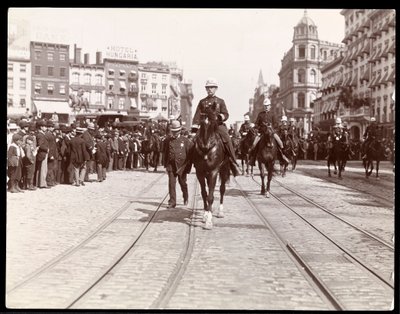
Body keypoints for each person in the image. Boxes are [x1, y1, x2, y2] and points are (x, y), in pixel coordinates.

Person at [190, 77, 241, 176]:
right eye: (208, 87)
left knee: (227, 139)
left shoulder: (220, 101)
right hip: (205, 126)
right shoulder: (202, 102)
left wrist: (220, 116)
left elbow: (226, 114)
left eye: (212, 87)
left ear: (216, 88)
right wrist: (194, 129)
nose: (210, 89)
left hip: (218, 126)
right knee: (193, 141)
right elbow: (197, 115)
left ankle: (233, 162)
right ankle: (189, 162)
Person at [249, 98, 290, 166]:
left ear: (270, 106)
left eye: (267, 105)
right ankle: (252, 159)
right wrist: (259, 128)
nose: (266, 107)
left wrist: (272, 127)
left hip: (272, 133)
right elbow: (256, 124)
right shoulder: (260, 114)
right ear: (263, 106)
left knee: (280, 143)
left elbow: (276, 124)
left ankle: (283, 157)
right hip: (262, 133)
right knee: (254, 144)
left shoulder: (273, 114)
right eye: (265, 106)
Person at [163, 120, 193, 208]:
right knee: (171, 184)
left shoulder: (186, 141)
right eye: (173, 131)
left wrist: (187, 168)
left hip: (182, 166)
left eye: (176, 131)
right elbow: (165, 152)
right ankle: (172, 202)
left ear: (180, 131)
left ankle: (185, 196)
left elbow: (190, 156)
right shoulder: (167, 140)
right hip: (171, 166)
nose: (174, 133)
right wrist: (166, 164)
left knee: (182, 183)